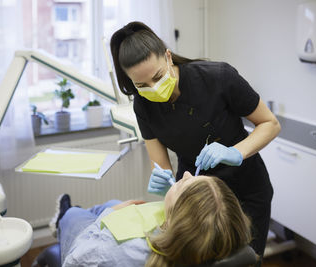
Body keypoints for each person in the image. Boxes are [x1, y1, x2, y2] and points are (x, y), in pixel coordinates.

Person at [110, 21, 281, 261]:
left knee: (243, 261)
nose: (154, 89)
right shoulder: (143, 105)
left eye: (158, 77)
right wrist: (165, 182)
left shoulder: (218, 77)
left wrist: (236, 152)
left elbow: (270, 124)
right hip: (195, 201)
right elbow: (160, 165)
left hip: (246, 190)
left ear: (168, 57)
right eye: (142, 85)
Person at [47, 172, 252, 267]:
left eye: (181, 183)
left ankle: (63, 217)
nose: (186, 173)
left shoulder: (107, 250)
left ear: (177, 220)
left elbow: (73, 262)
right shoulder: (218, 238)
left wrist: (109, 216)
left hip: (90, 241)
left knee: (76, 216)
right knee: (113, 202)